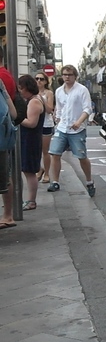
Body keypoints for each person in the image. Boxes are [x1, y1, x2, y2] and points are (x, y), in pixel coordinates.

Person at [48, 65, 96, 197]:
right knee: (55, 153)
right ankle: (55, 182)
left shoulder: (82, 90)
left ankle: (89, 181)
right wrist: (57, 118)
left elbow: (87, 108)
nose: (67, 77)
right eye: (64, 74)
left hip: (77, 129)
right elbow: (59, 107)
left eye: (69, 75)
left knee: (81, 156)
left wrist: (79, 121)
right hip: (62, 128)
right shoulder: (58, 91)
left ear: (75, 76)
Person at [18, 75, 45, 211]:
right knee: (28, 170)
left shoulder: (34, 102)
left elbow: (31, 123)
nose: (20, 91)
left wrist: (17, 118)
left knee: (29, 172)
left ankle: (31, 201)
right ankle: (28, 200)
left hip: (30, 140)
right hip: (30, 139)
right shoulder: (35, 99)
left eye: (21, 88)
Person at [0, 47, 17, 229]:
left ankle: (8, 215)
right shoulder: (5, 77)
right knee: (5, 176)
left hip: (2, 136)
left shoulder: (2, 77)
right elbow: (12, 111)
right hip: (4, 135)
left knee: (5, 176)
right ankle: (7, 214)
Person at [35, 71, 54, 184]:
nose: (39, 81)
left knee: (45, 151)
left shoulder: (48, 93)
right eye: (37, 79)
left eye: (41, 79)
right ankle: (39, 169)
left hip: (46, 124)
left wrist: (41, 99)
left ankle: (47, 173)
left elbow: (49, 110)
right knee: (34, 150)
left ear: (46, 81)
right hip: (35, 123)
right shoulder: (32, 92)